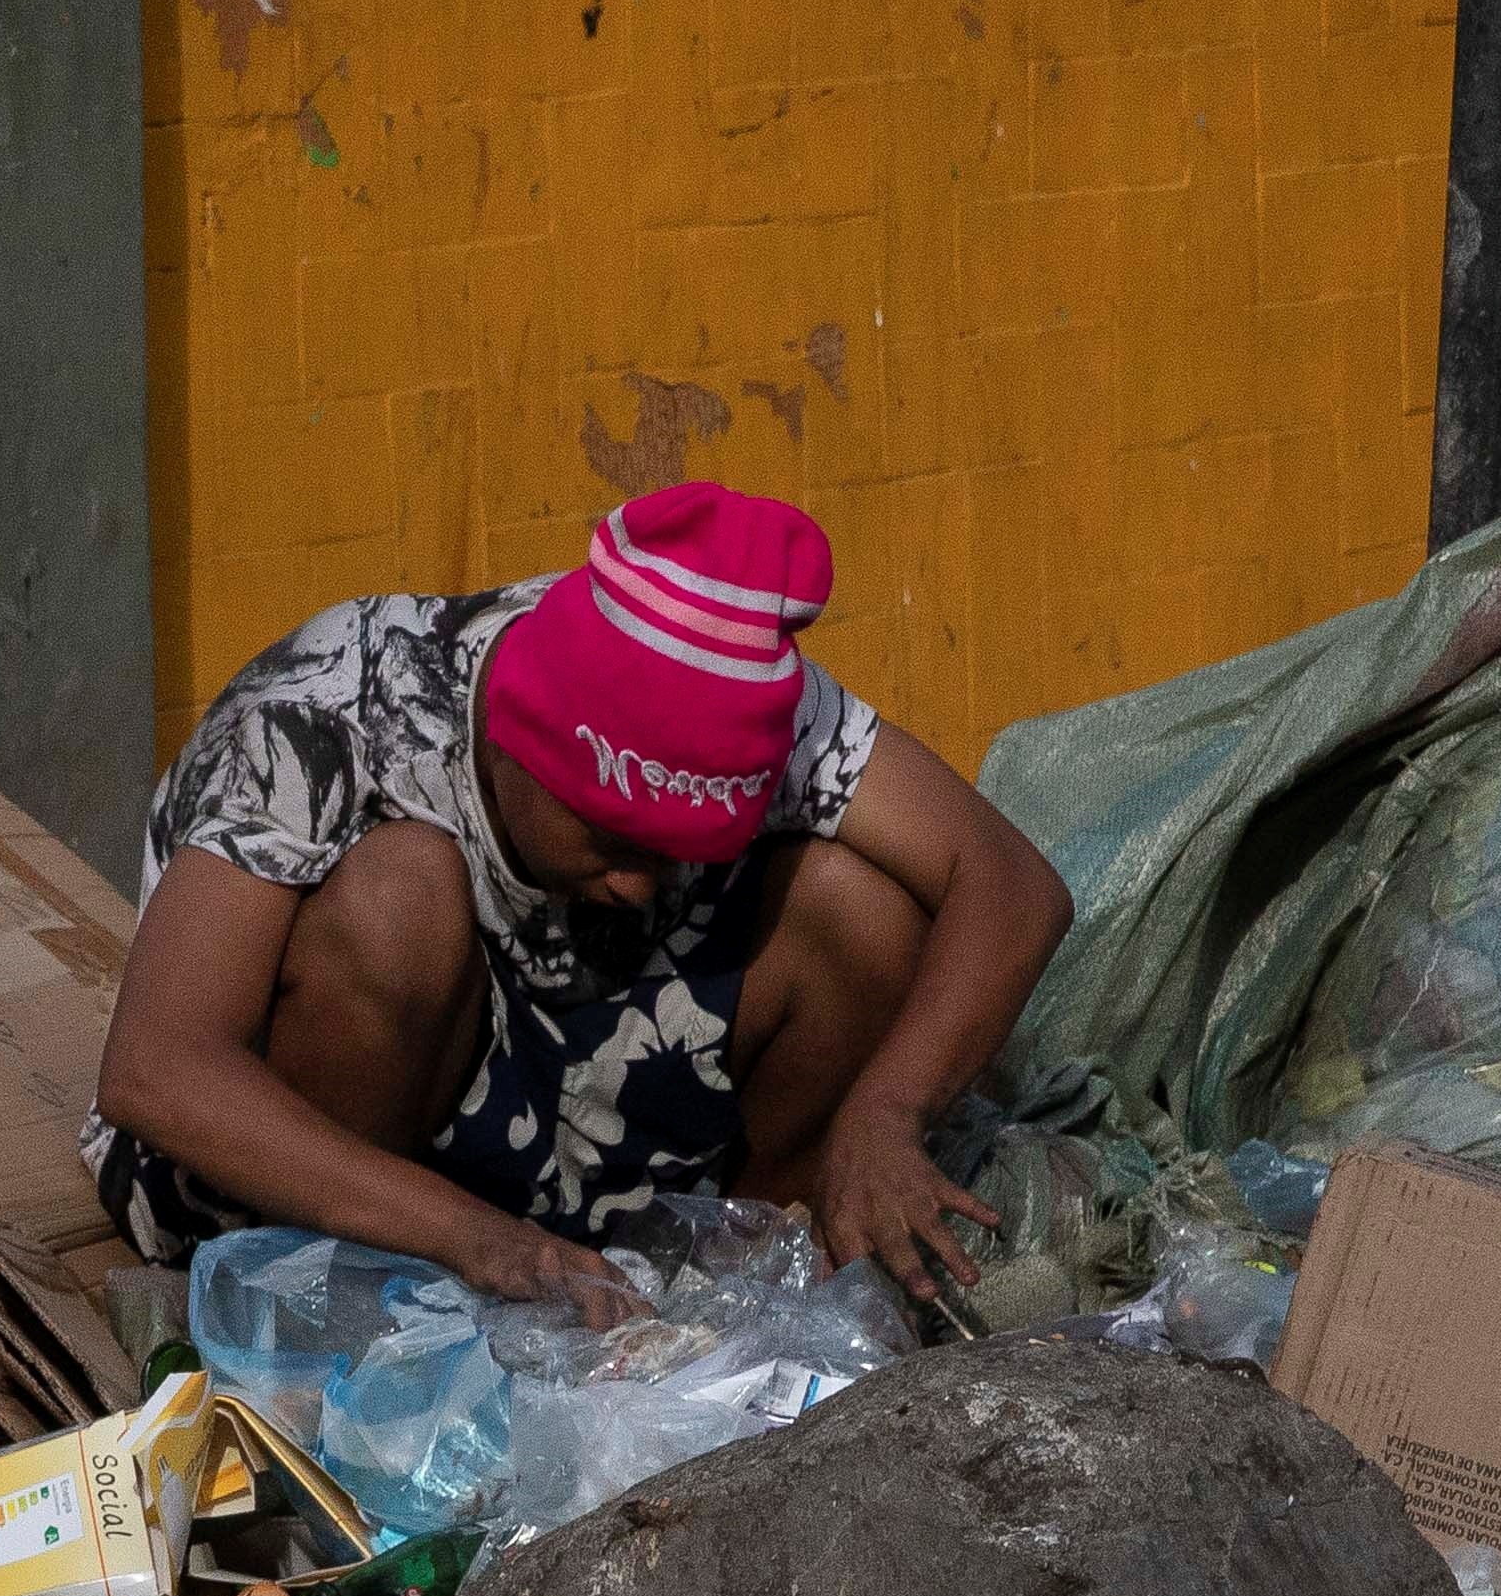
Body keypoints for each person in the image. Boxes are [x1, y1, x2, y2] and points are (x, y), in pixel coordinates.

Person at [86, 482, 1074, 1324]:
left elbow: (1009, 885)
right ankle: (354, 1307)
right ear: (521, 746)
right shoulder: (329, 709)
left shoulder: (746, 703)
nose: (638, 885)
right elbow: (157, 1070)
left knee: (854, 908)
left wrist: (887, 1111)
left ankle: (744, 1284)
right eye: (611, 841)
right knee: (399, 899)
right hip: (339, 1166)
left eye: (677, 853)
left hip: (584, 1131)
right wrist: (477, 1240)